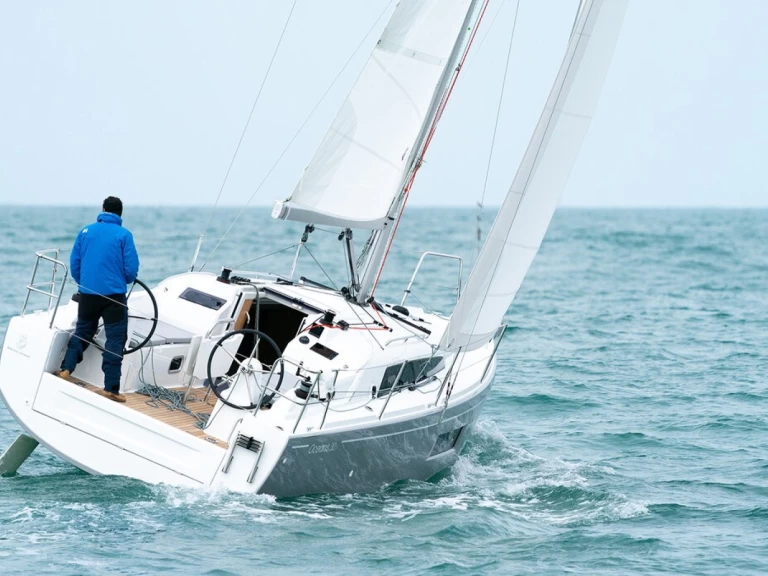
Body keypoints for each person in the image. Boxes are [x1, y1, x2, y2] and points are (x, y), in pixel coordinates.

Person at [56, 197, 139, 403]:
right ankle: (111, 388)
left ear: (102, 210)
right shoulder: (124, 235)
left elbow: (75, 263)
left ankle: (66, 370)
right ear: (120, 214)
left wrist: (85, 282)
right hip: (114, 297)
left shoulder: (85, 231)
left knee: (83, 331)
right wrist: (121, 280)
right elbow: (130, 270)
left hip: (88, 293)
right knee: (115, 339)